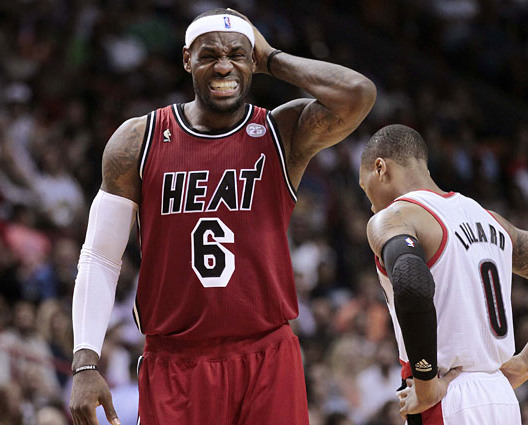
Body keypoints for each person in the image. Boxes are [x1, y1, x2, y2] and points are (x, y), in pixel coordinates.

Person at [69, 7, 376, 425]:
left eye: (236, 54)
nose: (224, 66)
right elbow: (100, 256)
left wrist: (272, 58)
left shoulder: (281, 132)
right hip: (176, 361)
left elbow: (358, 93)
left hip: (267, 355)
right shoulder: (138, 140)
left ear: (252, 61)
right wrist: (85, 361)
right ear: (187, 60)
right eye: (210, 55)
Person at [358, 124, 528, 424]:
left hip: (445, 395)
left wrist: (425, 385)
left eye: (364, 187)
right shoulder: (492, 220)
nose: (371, 205)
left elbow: (411, 285)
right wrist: (525, 364)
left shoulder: (394, 217)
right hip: (500, 394)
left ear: (380, 168)